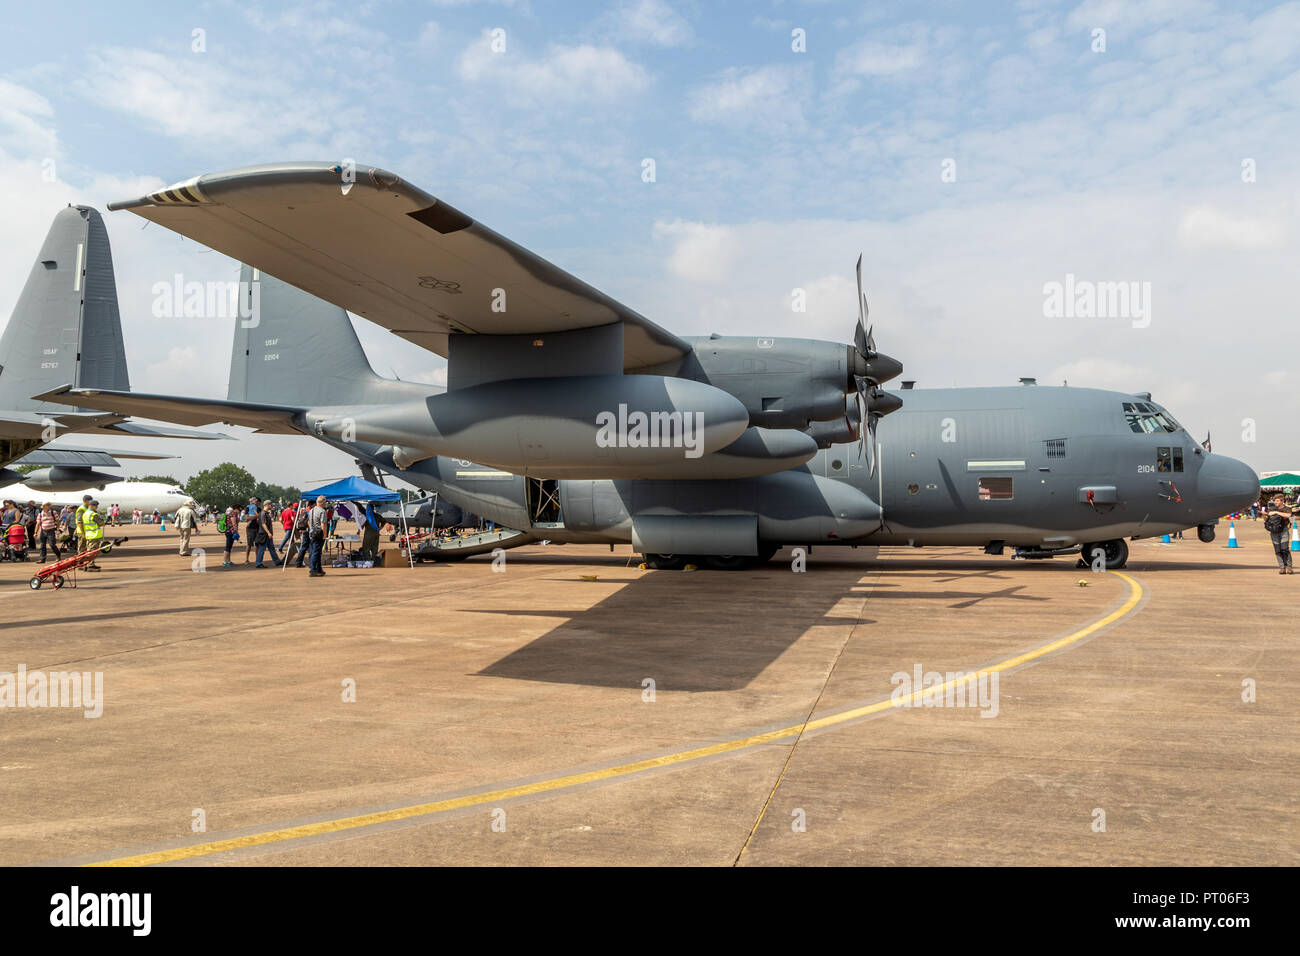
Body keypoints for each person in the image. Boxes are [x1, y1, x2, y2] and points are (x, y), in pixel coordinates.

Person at [1262, 495, 1294, 574]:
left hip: (1284, 530)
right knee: (1278, 550)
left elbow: (1288, 515)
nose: (1275, 502)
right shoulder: (1271, 509)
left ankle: (1289, 566)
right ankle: (1282, 567)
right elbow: (1267, 519)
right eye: (1275, 501)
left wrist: (1276, 512)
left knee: (1284, 549)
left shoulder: (1287, 508)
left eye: (1277, 501)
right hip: (1274, 531)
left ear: (1282, 501)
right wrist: (1264, 515)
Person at [307, 495, 329, 577]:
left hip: (312, 533)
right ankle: (313, 570)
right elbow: (323, 524)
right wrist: (324, 535)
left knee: (315, 551)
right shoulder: (322, 511)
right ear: (323, 502)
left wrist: (311, 529)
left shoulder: (311, 510)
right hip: (319, 534)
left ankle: (319, 569)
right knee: (316, 552)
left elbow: (308, 522)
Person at [82, 500, 106, 570]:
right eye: (96, 506)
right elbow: (101, 523)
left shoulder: (85, 513)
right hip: (94, 535)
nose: (97, 507)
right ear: (91, 506)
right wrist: (103, 520)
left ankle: (88, 564)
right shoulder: (93, 514)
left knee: (89, 550)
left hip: (89, 534)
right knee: (93, 551)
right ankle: (90, 565)